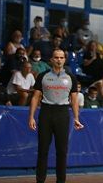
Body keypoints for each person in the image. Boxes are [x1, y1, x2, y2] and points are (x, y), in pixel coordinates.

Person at [28, 49, 83, 183]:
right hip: (46, 113)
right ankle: (40, 180)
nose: (59, 60)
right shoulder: (43, 76)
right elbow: (35, 97)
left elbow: (74, 100)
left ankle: (61, 181)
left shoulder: (71, 77)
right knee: (43, 150)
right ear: (52, 60)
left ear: (64, 60)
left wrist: (76, 118)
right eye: (56, 57)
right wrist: (31, 117)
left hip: (62, 114)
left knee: (62, 151)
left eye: (61, 57)